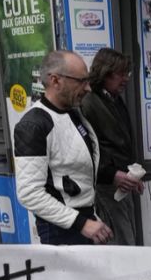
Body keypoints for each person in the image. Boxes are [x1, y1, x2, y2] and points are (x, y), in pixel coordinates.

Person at [14, 50, 113, 245]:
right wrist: (81, 223)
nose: (88, 88)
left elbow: (79, 166)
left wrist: (112, 176)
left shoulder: (74, 114)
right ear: (55, 81)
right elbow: (29, 193)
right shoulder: (33, 125)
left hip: (85, 220)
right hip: (61, 231)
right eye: (81, 81)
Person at [83, 48, 144, 245]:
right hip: (105, 186)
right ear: (105, 72)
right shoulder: (89, 102)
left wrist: (133, 175)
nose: (126, 79)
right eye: (121, 73)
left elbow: (121, 144)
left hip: (120, 183)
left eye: (128, 73)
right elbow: (88, 149)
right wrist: (110, 174)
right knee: (121, 242)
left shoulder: (114, 99)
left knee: (127, 237)